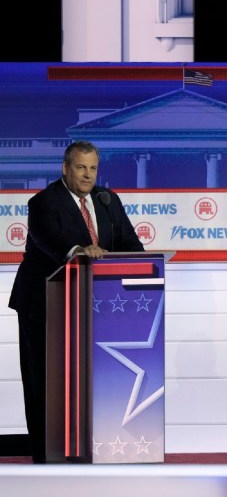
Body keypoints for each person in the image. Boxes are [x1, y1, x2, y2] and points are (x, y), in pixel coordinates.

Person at [8, 140, 145, 463]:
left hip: (95, 303)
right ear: (65, 168)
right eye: (81, 168)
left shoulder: (107, 200)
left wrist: (139, 261)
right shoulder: (43, 202)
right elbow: (50, 241)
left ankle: (95, 449)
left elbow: (130, 243)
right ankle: (47, 455)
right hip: (43, 303)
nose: (87, 175)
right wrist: (79, 251)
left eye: (93, 168)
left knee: (93, 382)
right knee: (45, 381)